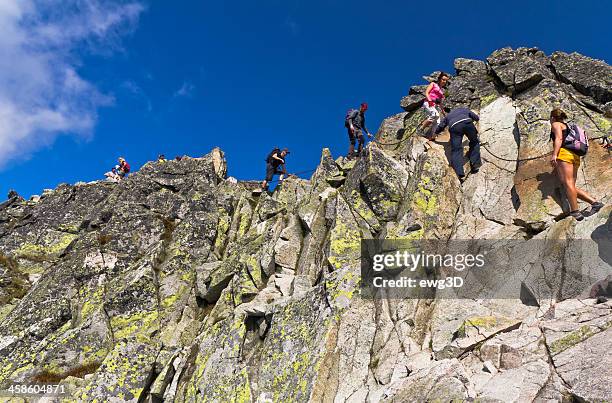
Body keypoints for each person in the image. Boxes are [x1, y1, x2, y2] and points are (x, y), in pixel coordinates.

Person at [549, 108, 603, 221]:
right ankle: (595, 203)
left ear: (553, 117)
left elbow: (559, 138)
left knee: (568, 184)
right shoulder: (568, 126)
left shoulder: (556, 125)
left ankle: (575, 212)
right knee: (570, 186)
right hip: (575, 156)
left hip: (564, 154)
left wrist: (554, 154)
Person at [435, 107, 482, 181]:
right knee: (474, 141)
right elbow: (476, 117)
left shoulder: (448, 116)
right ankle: (475, 165)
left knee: (456, 150)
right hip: (467, 123)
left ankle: (459, 173)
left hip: (455, 127)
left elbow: (441, 126)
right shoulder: (463, 109)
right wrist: (475, 119)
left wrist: (435, 134)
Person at [419, 72, 450, 139]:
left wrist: (443, 111)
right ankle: (421, 128)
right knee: (435, 115)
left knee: (438, 121)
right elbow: (426, 92)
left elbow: (440, 102)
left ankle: (433, 136)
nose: (444, 81)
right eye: (443, 79)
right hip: (428, 102)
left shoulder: (441, 91)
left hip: (434, 105)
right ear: (439, 79)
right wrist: (430, 100)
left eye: (446, 80)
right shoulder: (433, 84)